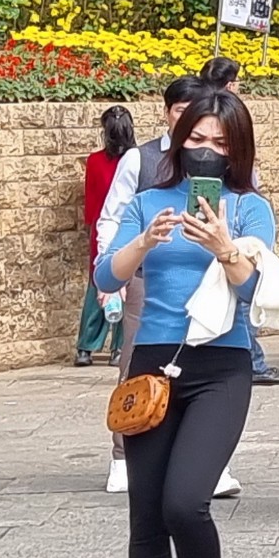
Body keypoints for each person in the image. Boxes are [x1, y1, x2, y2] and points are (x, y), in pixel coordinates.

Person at [93, 88, 266, 558]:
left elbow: (253, 296)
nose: (208, 152)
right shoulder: (146, 202)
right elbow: (105, 275)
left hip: (221, 365)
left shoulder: (247, 209)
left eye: (221, 143)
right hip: (151, 367)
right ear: (178, 137)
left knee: (185, 501)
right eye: (197, 139)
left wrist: (225, 250)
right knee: (145, 511)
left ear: (237, 148)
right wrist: (143, 242)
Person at [101, 77, 213, 495]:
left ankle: (201, 458)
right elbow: (112, 217)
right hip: (147, 275)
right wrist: (112, 271)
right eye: (181, 112)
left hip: (205, 278)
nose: (188, 122)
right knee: (135, 362)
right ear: (167, 112)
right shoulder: (140, 158)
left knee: (204, 363)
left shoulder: (219, 160)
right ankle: (122, 452)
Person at [77, 106, 136, 366]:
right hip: (128, 230)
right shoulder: (139, 158)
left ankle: (87, 347)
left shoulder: (95, 160)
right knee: (127, 289)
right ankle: (118, 348)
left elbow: (91, 205)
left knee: (99, 288)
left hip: (104, 229)